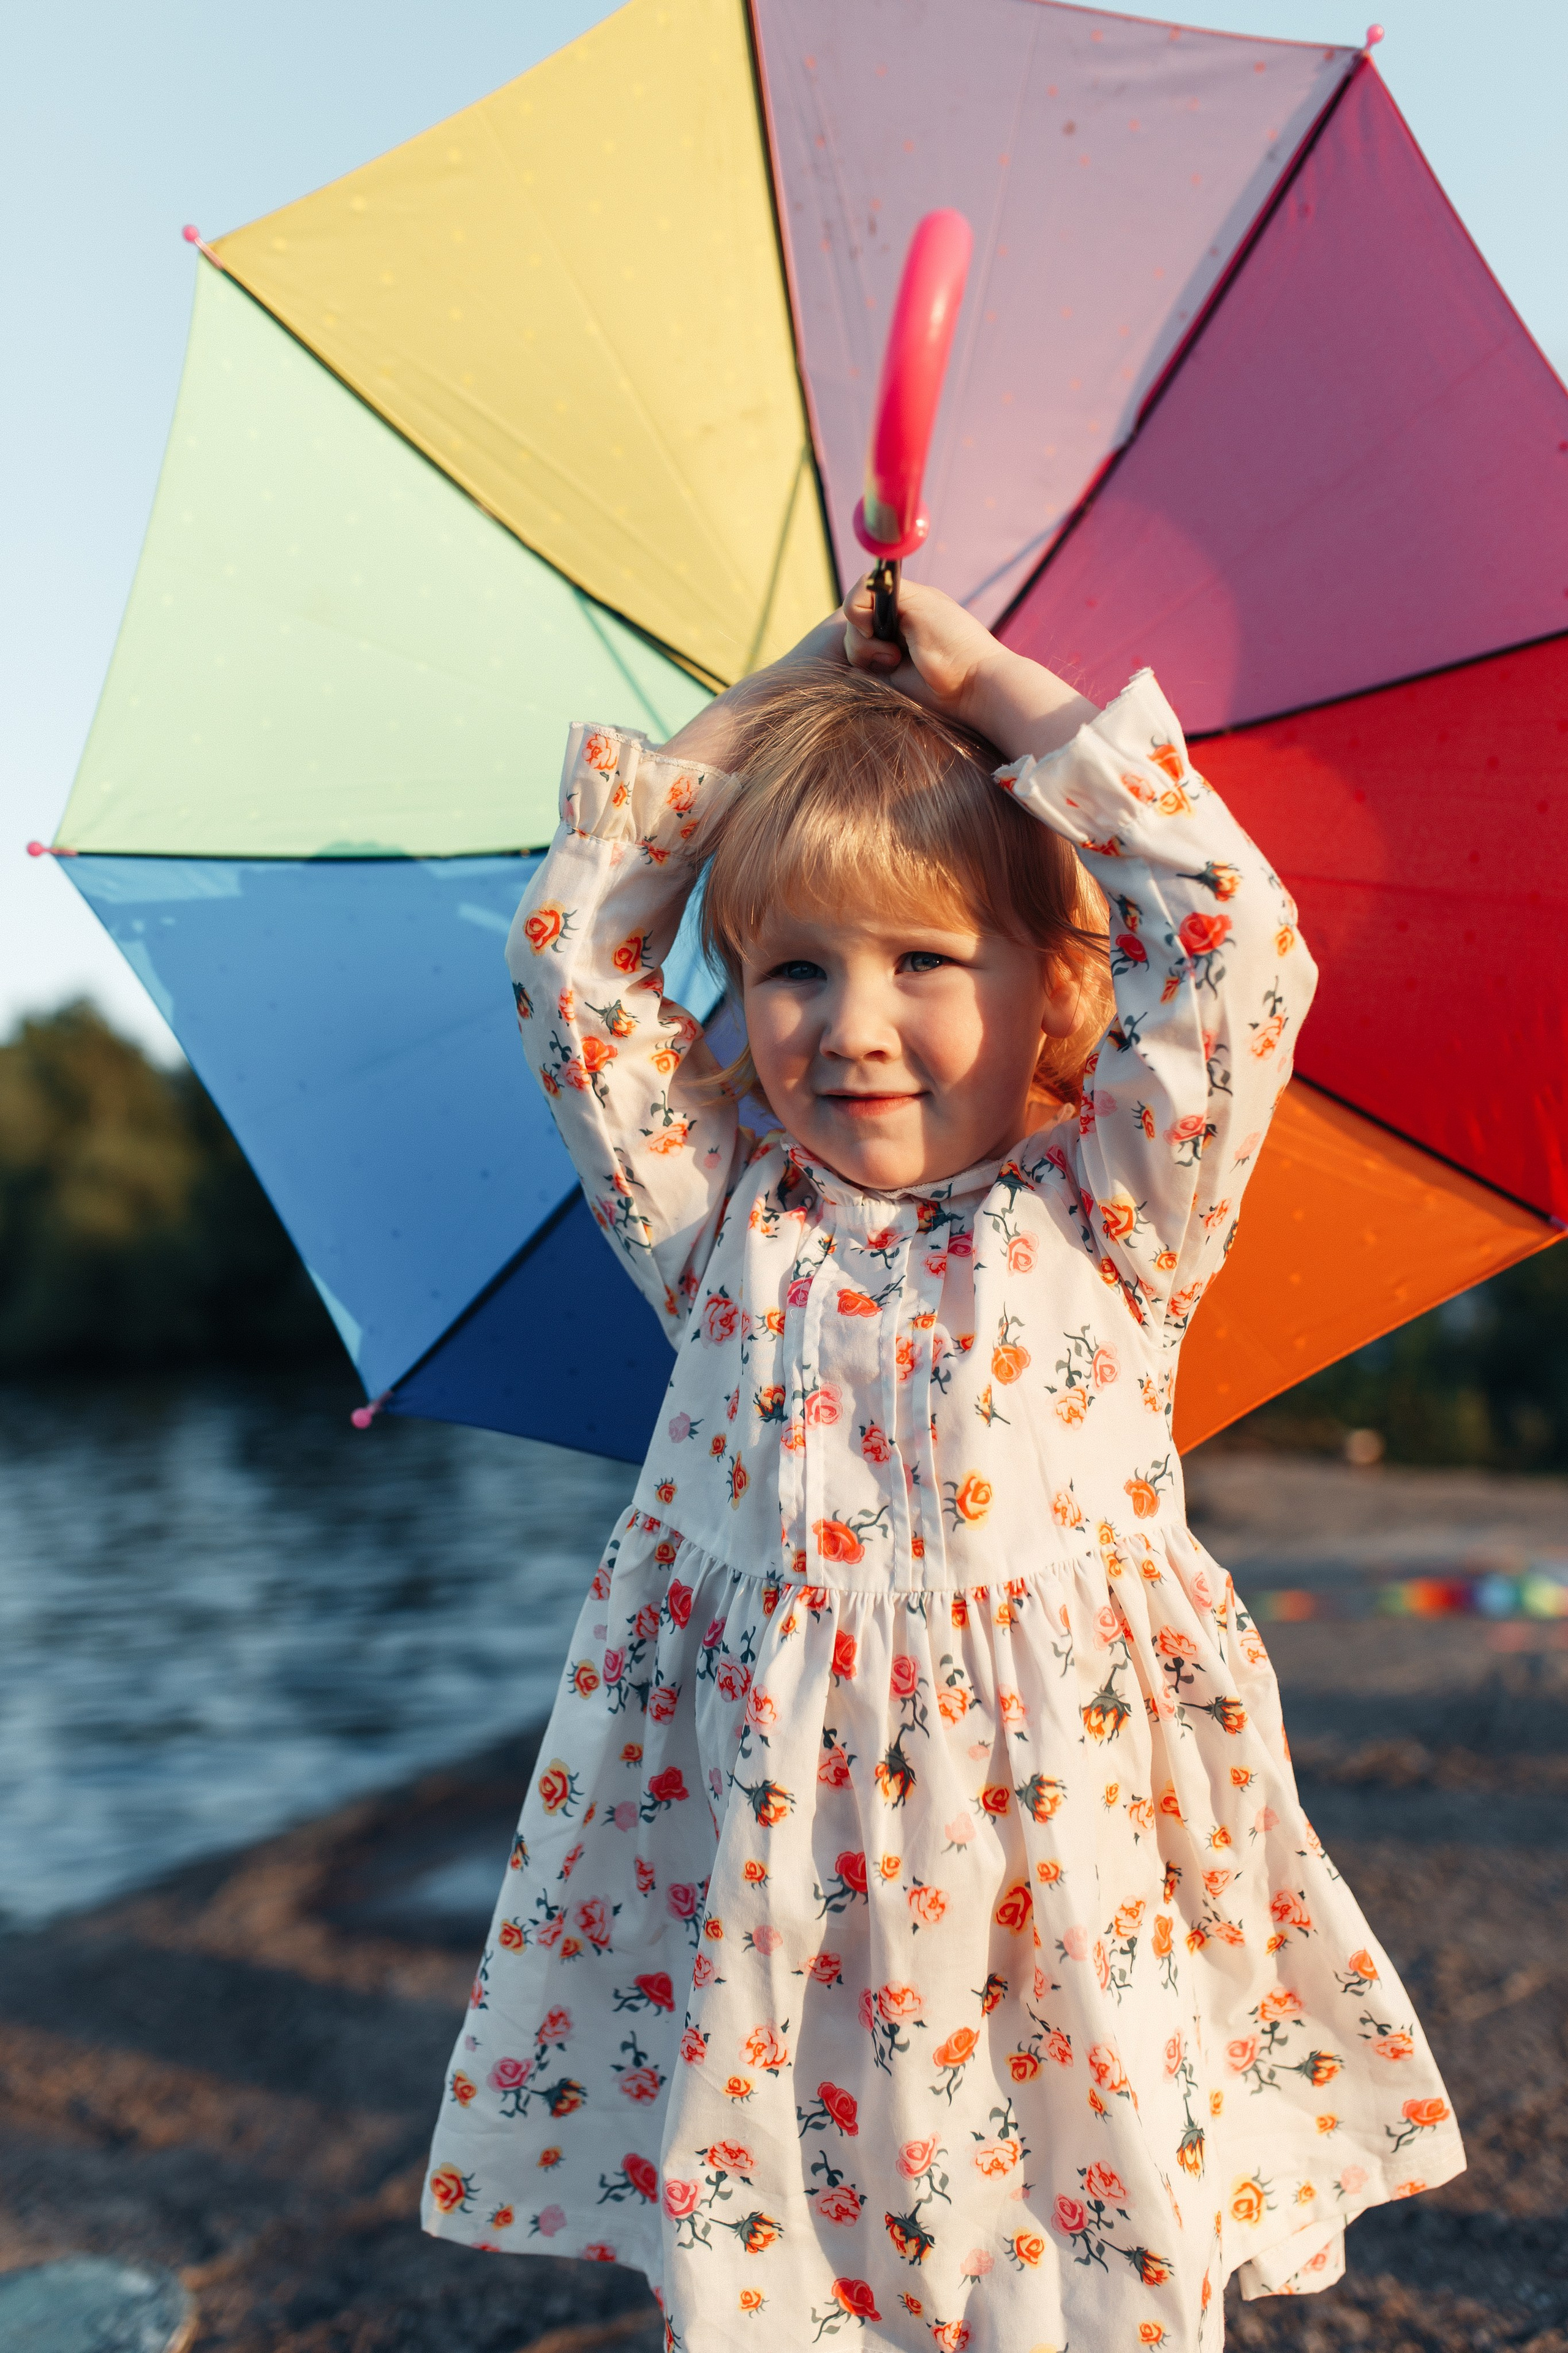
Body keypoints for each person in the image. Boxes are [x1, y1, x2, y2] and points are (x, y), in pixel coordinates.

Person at [422, 579, 1462, 2348]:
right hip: (787, 1887)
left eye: (925, 957)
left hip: (1068, 1892)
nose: (853, 1021)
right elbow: (569, 960)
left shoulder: (1114, 1221)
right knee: (794, 2261)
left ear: (1052, 980)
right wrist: (768, 705)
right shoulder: (722, 1225)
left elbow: (1228, 938)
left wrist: (992, 692)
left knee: (1095, 2238)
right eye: (792, 967)